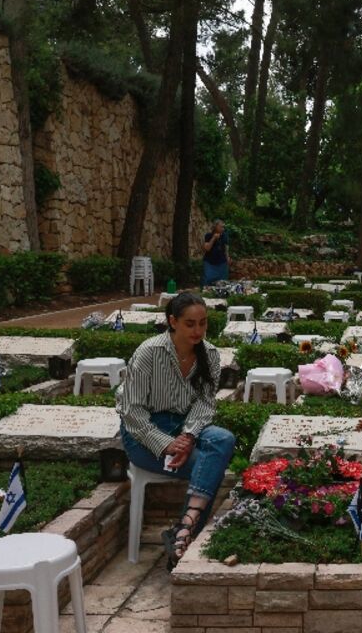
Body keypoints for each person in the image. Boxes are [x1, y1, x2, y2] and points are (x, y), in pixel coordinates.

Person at [116, 292, 235, 569]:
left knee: (223, 439)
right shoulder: (149, 352)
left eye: (203, 323)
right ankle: (186, 535)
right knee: (209, 464)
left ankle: (182, 529)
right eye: (190, 324)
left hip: (183, 427)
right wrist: (167, 444)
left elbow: (205, 403)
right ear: (173, 321)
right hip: (143, 435)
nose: (198, 331)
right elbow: (131, 411)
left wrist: (188, 436)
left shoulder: (211, 355)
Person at [201, 220, 232, 285]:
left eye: (223, 227)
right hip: (210, 261)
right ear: (215, 227)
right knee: (208, 279)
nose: (222, 228)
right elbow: (207, 248)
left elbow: (226, 249)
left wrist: (227, 258)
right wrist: (214, 238)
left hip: (221, 261)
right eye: (221, 227)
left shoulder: (224, 236)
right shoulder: (208, 235)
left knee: (222, 281)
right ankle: (206, 292)